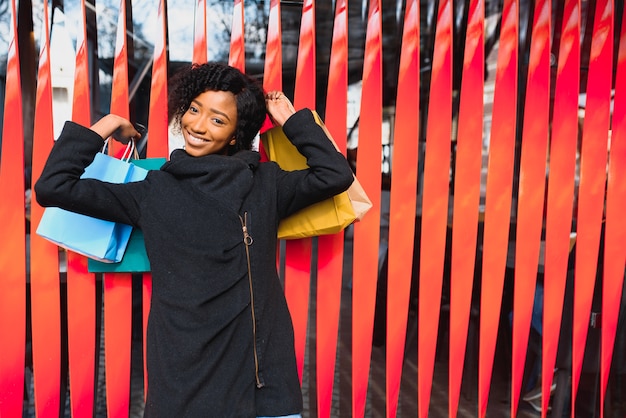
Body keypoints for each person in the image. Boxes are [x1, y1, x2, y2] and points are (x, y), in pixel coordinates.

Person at [35, 62, 354, 417]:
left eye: (218, 119)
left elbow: (335, 175)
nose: (198, 126)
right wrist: (107, 125)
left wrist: (293, 121)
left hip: (262, 380)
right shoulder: (154, 191)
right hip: (182, 378)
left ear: (236, 135)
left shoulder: (266, 185)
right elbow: (53, 186)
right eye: (194, 110)